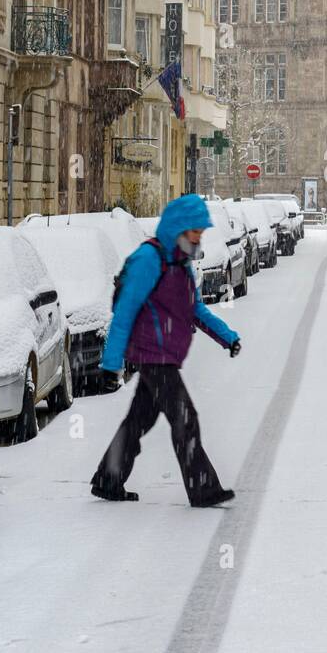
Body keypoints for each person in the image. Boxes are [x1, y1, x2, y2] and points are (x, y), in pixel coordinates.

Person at [91, 193, 241, 507]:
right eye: (194, 231)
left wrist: (227, 337)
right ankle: (203, 488)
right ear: (178, 229)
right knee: (186, 418)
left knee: (138, 421)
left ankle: (109, 479)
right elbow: (126, 311)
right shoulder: (151, 259)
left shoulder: (181, 263)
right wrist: (111, 364)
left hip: (164, 356)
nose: (199, 237)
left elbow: (195, 310)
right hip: (152, 356)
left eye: (201, 232)